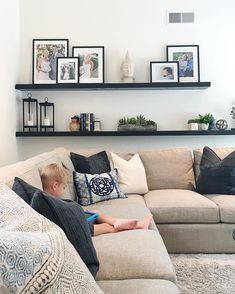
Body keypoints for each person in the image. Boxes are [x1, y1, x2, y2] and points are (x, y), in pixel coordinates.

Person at [40, 163, 153, 236]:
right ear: (55, 186)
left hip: (80, 219)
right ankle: (137, 226)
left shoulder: (49, 199)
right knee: (106, 227)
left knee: (96, 213)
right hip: (80, 228)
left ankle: (116, 221)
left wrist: (81, 211)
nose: (64, 191)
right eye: (63, 187)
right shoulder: (50, 203)